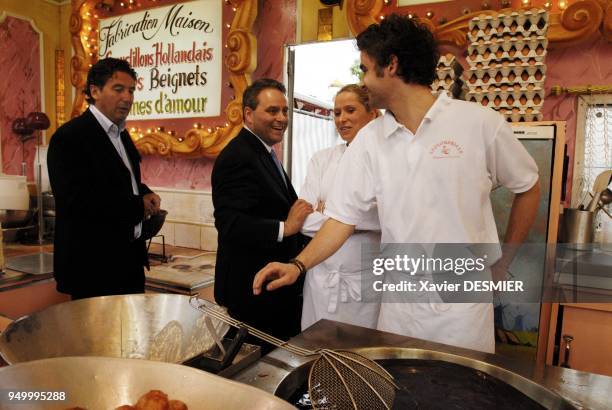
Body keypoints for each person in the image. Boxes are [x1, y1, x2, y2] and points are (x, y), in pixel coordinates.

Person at [253, 15, 541, 353]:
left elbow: (528, 186)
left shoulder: (477, 124)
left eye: (364, 68)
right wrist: (298, 265)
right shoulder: (370, 141)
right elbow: (341, 220)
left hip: (462, 312)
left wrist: (504, 262)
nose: (362, 81)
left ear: (390, 65)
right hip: (398, 308)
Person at [47, 57, 161, 300]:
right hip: (93, 268)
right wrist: (136, 206)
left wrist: (144, 192)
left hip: (128, 261)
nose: (127, 98)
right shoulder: (69, 138)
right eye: (118, 89)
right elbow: (77, 202)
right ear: (94, 91)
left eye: (131, 90)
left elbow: (120, 180)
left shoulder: (121, 134)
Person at [212, 78, 313, 344]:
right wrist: (286, 227)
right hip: (252, 293)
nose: (281, 118)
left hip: (273, 289)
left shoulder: (263, 151)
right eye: (272, 111)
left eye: (284, 111)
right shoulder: (237, 156)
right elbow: (229, 223)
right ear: (248, 113)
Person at [299, 84, 380, 330]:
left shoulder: (384, 159)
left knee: (361, 357)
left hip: (364, 279)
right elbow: (303, 220)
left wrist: (330, 213)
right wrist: (353, 220)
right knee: (315, 353)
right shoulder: (321, 159)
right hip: (321, 278)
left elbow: (385, 218)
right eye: (336, 113)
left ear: (372, 113)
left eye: (350, 110)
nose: (341, 119)